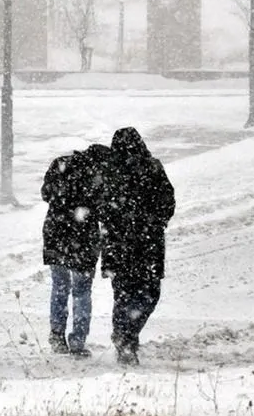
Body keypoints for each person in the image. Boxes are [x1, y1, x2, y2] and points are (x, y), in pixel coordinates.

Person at [100, 127, 176, 366]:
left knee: (123, 294)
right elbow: (168, 200)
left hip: (120, 244)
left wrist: (116, 224)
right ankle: (127, 336)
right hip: (147, 243)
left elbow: (102, 207)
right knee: (149, 293)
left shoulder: (110, 171)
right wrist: (154, 221)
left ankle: (124, 336)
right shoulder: (152, 168)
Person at [40, 143, 112, 358]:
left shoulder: (61, 163)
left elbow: (46, 194)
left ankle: (56, 336)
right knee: (81, 292)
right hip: (84, 239)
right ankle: (78, 341)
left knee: (59, 287)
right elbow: (104, 207)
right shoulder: (99, 175)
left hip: (55, 235)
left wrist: (64, 204)